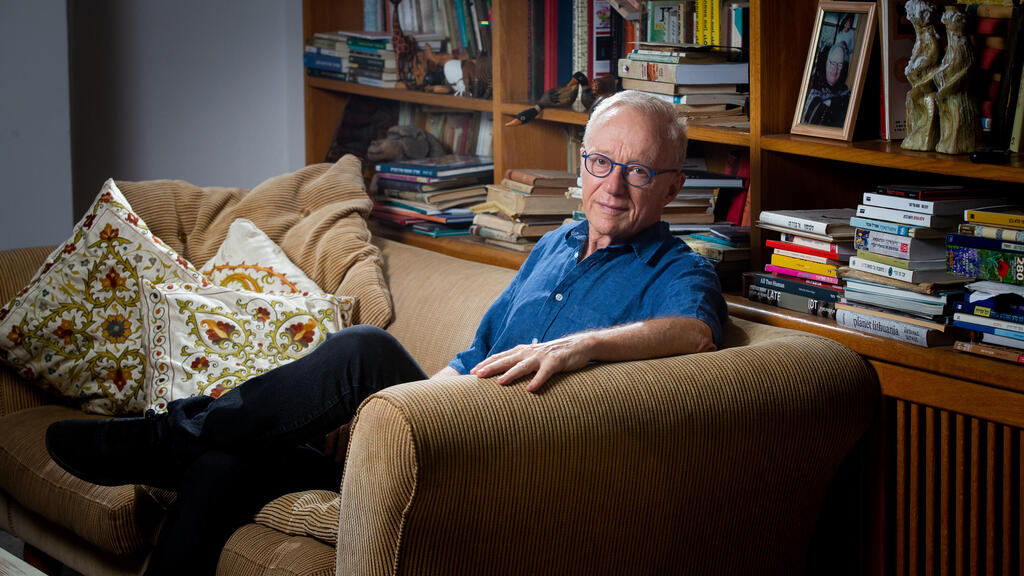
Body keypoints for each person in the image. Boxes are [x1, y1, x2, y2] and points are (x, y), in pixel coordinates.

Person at [45, 90, 727, 576]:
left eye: (639, 171)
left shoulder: (676, 268)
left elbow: (697, 334)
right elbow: (475, 355)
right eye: (602, 162)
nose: (614, 186)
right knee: (224, 466)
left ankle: (167, 435)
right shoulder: (554, 244)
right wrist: (387, 417)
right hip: (430, 434)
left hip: (499, 461)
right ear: (582, 166)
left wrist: (582, 345)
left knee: (363, 350)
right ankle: (188, 443)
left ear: (671, 187)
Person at [802, 42, 851, 127]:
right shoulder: (815, 88)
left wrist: (830, 102)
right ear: (827, 63)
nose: (835, 70)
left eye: (840, 65)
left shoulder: (844, 90)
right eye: (833, 64)